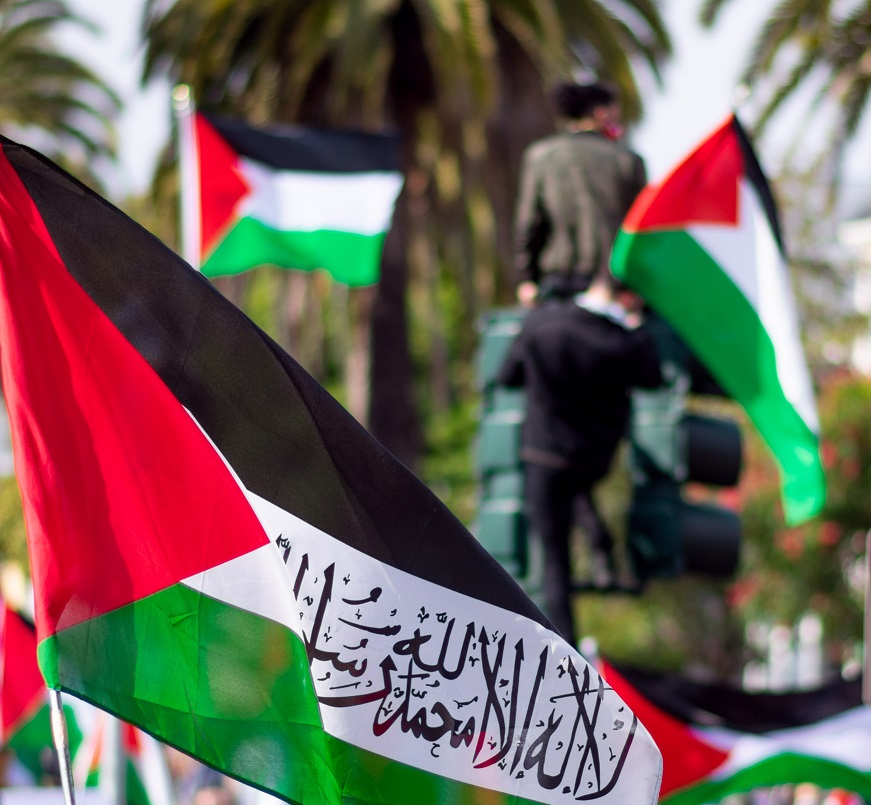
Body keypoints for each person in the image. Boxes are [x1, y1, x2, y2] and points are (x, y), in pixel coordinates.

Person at [498, 271, 662, 645]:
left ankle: (566, 648)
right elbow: (652, 378)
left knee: (554, 564)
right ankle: (600, 545)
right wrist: (638, 329)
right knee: (576, 492)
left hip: (543, 456)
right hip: (593, 459)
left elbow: (508, 376)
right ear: (627, 297)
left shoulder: (540, 323)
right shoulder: (621, 341)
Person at [514, 81, 647, 305]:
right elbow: (640, 227)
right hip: (613, 287)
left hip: (557, 285)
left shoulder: (539, 156)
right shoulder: (627, 159)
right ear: (601, 112)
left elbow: (529, 223)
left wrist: (527, 280)